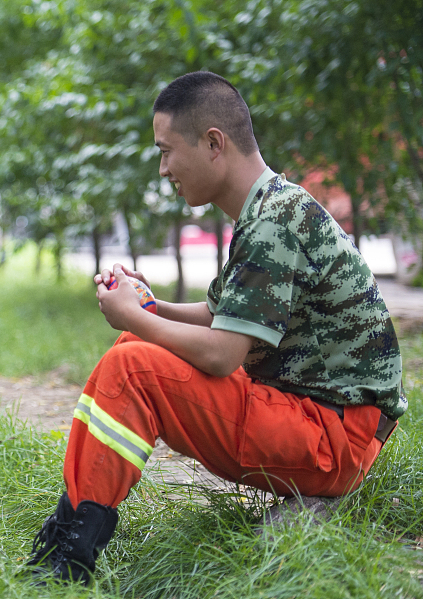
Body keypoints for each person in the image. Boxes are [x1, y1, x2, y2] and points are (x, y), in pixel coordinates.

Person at [24, 71, 406, 585]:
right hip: (325, 421)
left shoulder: (273, 222)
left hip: (334, 439)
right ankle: (74, 522)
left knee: (134, 366)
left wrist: (134, 315)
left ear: (212, 143)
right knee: (135, 342)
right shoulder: (270, 207)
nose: (163, 169)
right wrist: (149, 307)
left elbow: (223, 355)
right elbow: (220, 316)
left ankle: (68, 562)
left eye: (166, 151)